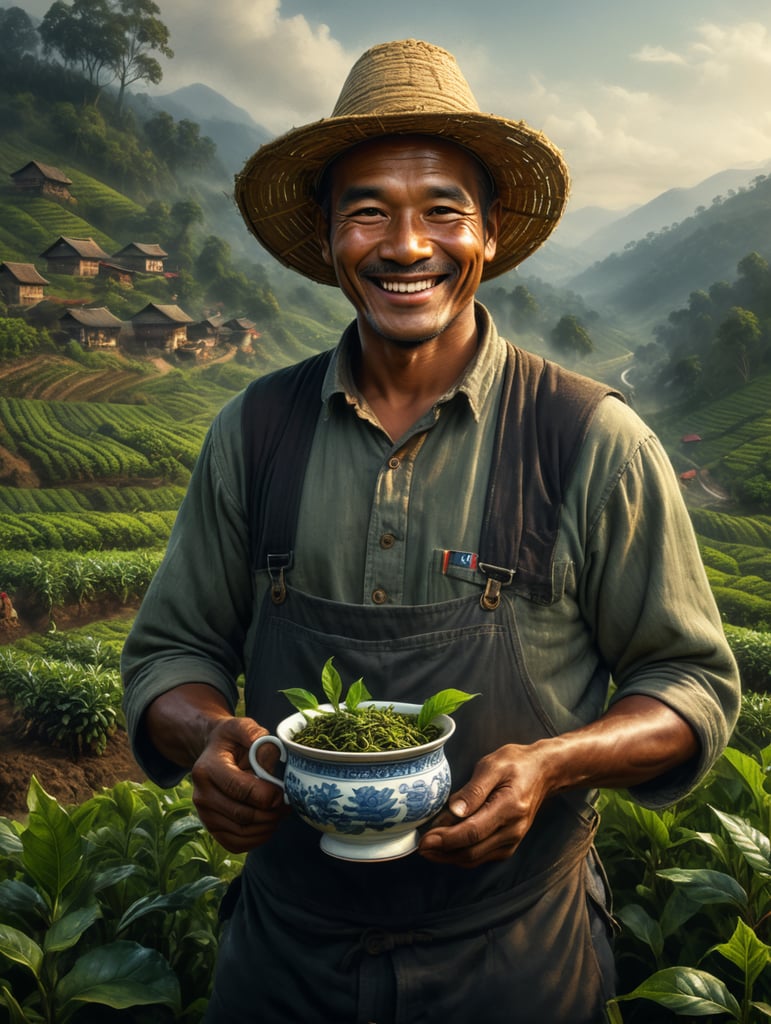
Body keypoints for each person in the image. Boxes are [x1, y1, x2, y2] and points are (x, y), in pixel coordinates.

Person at [122, 38, 740, 1024]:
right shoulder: (255, 431)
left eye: (443, 211)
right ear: (329, 236)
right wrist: (207, 734)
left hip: (518, 961)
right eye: (367, 210)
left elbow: (689, 680)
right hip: (286, 963)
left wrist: (553, 762)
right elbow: (172, 653)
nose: (406, 246)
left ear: (488, 233)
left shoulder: (590, 439)